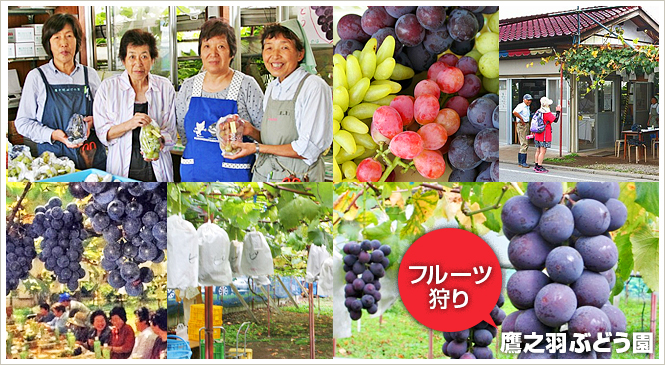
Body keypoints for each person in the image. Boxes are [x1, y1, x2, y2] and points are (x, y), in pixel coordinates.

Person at [226, 21, 332, 182]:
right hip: (265, 176)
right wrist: (250, 131)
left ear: (300, 54)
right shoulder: (273, 87)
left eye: (284, 47)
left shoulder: (314, 87)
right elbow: (275, 141)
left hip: (296, 180)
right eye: (269, 48)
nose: (275, 55)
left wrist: (255, 148)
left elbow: (307, 149)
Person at [14, 13, 106, 170]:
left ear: (77, 41)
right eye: (57, 37)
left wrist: (95, 122)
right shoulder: (37, 77)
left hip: (91, 158)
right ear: (48, 43)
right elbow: (22, 123)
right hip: (54, 163)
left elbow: (106, 115)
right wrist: (52, 134)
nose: (64, 43)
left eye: (69, 36)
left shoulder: (89, 75)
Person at [176, 18, 264, 182]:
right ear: (200, 52)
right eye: (207, 46)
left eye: (221, 46)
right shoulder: (188, 87)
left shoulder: (246, 85)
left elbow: (266, 138)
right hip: (194, 175)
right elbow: (184, 134)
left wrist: (248, 130)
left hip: (234, 179)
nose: (213, 53)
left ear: (232, 52)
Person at [94, 29, 176, 181]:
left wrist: (159, 140)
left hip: (157, 170)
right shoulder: (108, 88)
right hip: (121, 169)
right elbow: (103, 134)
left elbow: (171, 133)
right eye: (132, 56)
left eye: (144, 56)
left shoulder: (164, 87)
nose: (138, 63)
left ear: (152, 60)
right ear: (124, 60)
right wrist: (129, 124)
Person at [532, 97, 561, 173]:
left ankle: (536, 165)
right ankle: (539, 166)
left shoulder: (538, 111)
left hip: (538, 134)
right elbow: (555, 120)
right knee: (543, 151)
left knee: (538, 150)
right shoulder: (547, 113)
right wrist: (558, 112)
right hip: (544, 134)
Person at [512, 94, 532, 168]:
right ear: (524, 99)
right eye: (528, 100)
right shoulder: (521, 106)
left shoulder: (527, 107)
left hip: (526, 124)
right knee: (524, 143)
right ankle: (522, 162)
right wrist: (521, 119)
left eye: (530, 100)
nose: (529, 101)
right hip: (522, 125)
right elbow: (514, 112)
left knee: (524, 142)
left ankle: (520, 162)